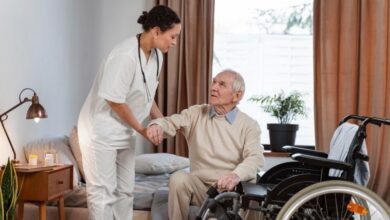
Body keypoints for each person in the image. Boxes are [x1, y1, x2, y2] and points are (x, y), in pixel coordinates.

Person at [77, 5, 181, 220]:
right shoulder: (124, 56)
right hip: (101, 131)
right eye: (173, 36)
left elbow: (147, 93)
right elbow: (115, 100)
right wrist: (143, 129)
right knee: (102, 191)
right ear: (156, 31)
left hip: (126, 129)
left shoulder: (157, 56)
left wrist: (162, 122)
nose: (174, 42)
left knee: (125, 190)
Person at [146, 69, 265, 220]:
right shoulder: (196, 113)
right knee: (178, 178)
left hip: (232, 191)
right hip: (201, 189)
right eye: (214, 82)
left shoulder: (249, 125)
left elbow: (255, 158)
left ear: (237, 95)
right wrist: (157, 125)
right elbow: (170, 122)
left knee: (252, 189)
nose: (213, 87)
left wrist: (235, 175)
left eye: (221, 84)